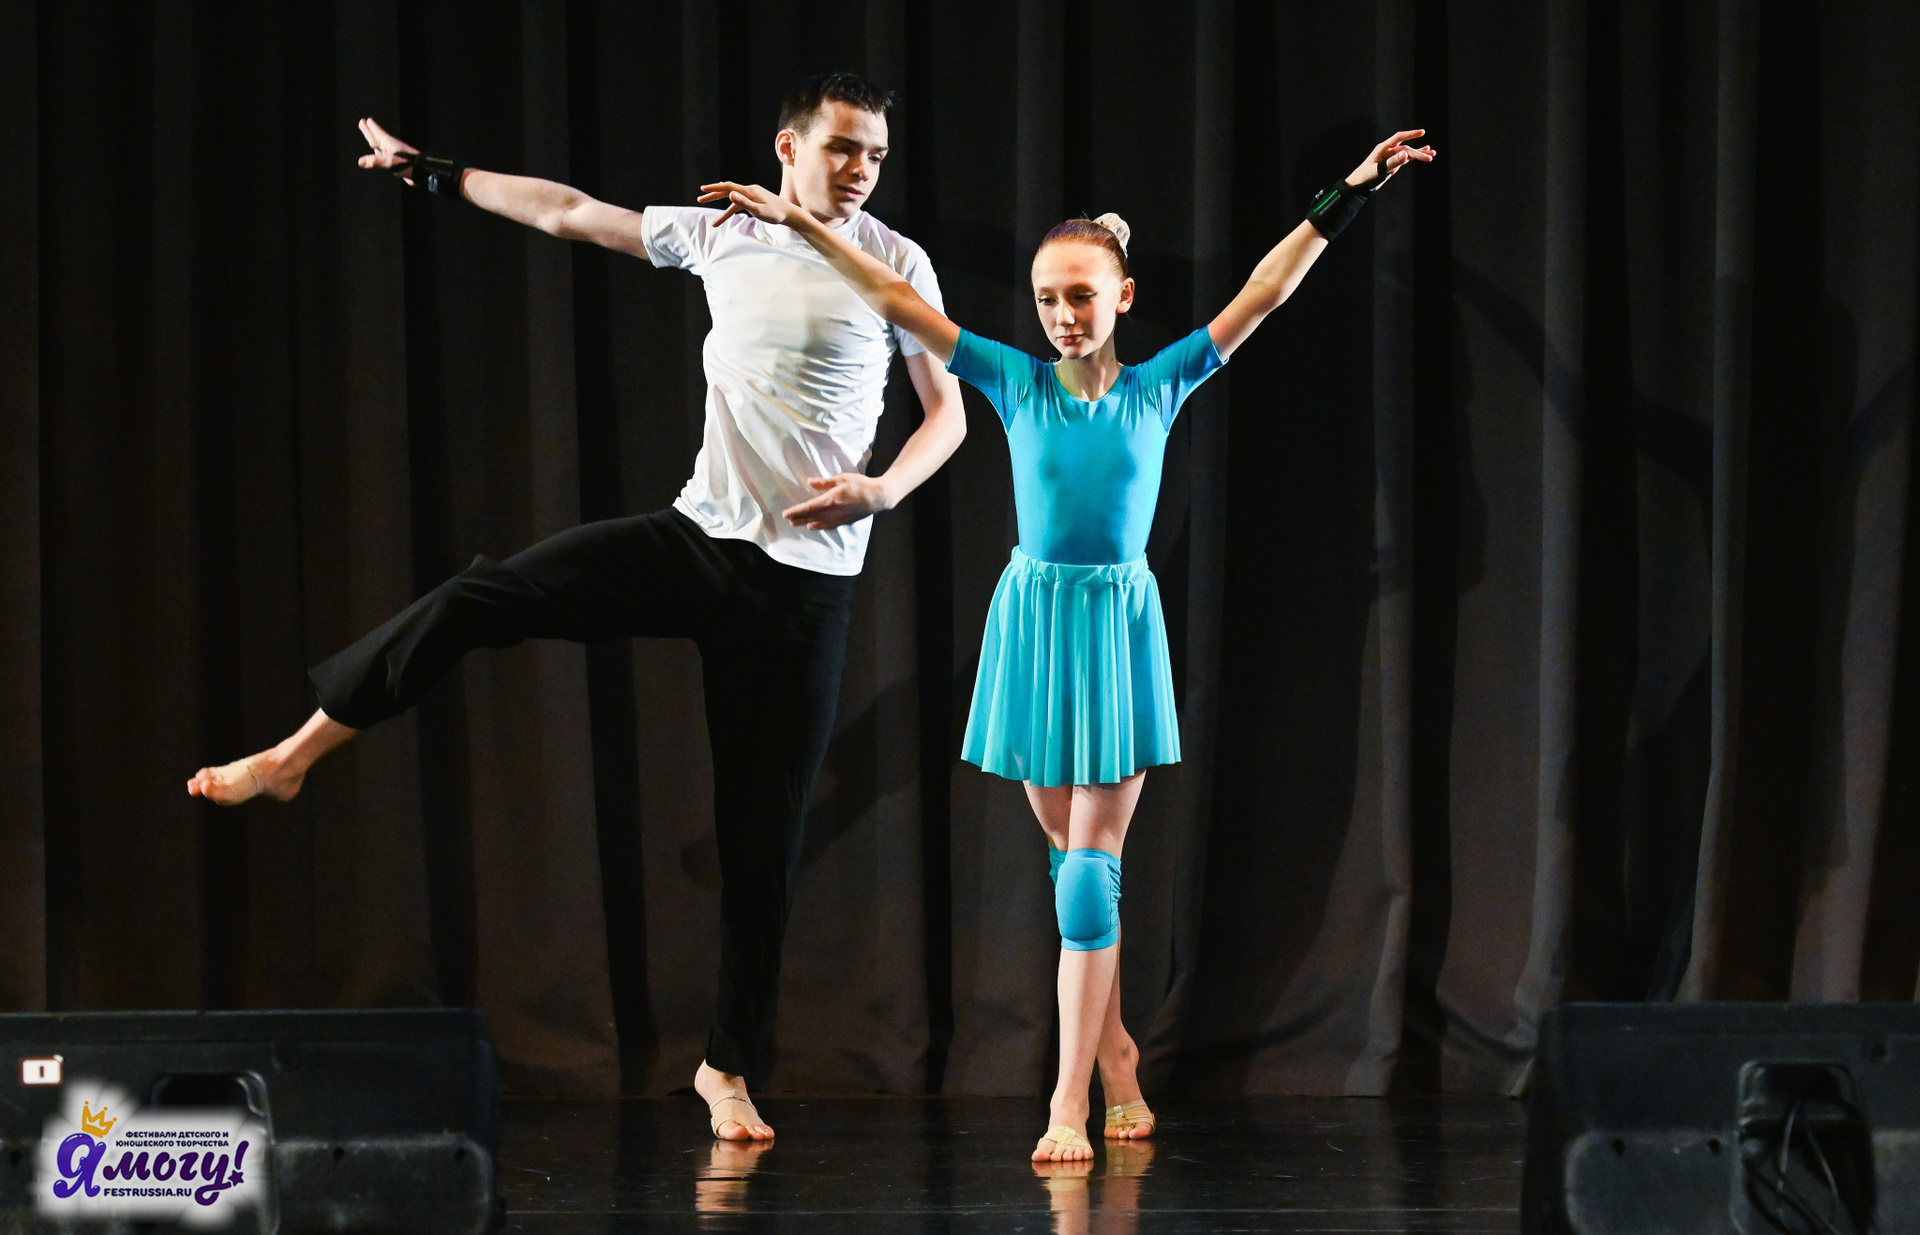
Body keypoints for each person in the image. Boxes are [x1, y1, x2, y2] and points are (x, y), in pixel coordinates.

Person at [185, 72, 968, 1144]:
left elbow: (946, 413)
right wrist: (436, 173)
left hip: (806, 586)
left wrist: (882, 489)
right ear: (788, 147)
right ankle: (295, 755)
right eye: (843, 147)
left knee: (764, 842)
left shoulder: (897, 262)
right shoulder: (722, 233)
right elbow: (567, 211)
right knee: (484, 593)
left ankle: (727, 1067)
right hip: (698, 542)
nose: (861, 169)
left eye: (875, 153)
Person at [701, 126, 1434, 1160]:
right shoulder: (1015, 381)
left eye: (1082, 297)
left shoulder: (1160, 384)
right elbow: (899, 299)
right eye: (1048, 299)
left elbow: (1266, 291)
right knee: (1070, 867)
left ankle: (1066, 1100)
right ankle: (1120, 1052)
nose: (1063, 315)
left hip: (1117, 626)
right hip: (1035, 625)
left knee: (1090, 878)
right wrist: (803, 225)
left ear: (1122, 297)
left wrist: (1347, 193)